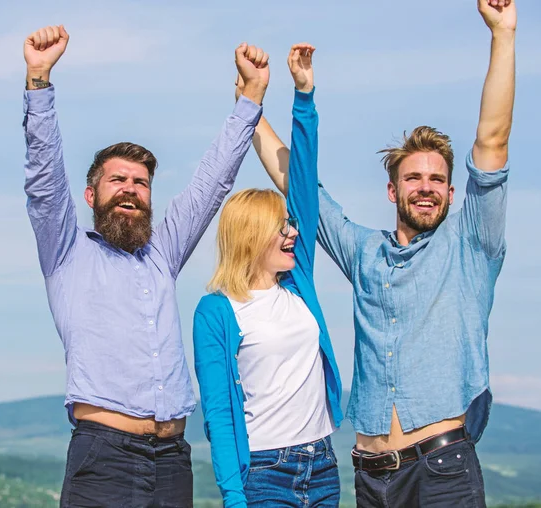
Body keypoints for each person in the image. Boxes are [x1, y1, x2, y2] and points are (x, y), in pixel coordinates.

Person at [248, 1, 516, 506]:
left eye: (438, 179)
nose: (426, 187)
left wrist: (502, 34)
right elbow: (301, 190)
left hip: (443, 473)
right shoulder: (365, 252)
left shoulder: (471, 245)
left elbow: (492, 142)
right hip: (371, 479)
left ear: (453, 194)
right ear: (392, 191)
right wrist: (250, 106)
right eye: (413, 177)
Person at [23, 25, 269, 507]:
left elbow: (209, 186)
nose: (132, 188)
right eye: (119, 180)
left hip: (173, 459)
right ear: (92, 196)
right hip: (104, 458)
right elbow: (44, 179)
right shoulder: (66, 252)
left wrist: (250, 100)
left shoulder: (162, 253)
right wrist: (38, 82)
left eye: (141, 182)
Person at [193, 44, 343, 507]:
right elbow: (218, 414)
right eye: (281, 226)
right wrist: (235, 497)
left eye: (291, 224)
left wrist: (304, 95)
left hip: (322, 466)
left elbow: (303, 181)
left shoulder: (299, 283)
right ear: (251, 236)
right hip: (263, 474)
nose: (292, 234)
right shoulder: (216, 311)